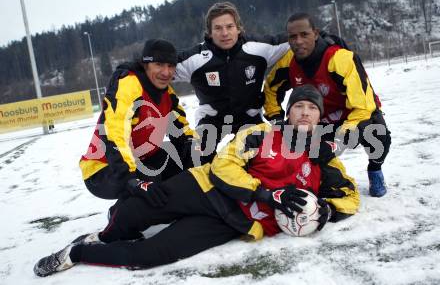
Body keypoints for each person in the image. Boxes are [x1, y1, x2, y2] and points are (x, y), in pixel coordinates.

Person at [34, 85, 359, 276]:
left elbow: (350, 196)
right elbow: (223, 167)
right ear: (288, 113)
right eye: (298, 106)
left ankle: (76, 255)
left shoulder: (323, 158)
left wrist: (328, 210)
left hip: (234, 220)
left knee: (146, 256)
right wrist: (267, 194)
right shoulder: (260, 134)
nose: (304, 112)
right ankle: (103, 235)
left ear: (319, 117)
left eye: (311, 108)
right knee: (134, 212)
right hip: (204, 188)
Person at [263, 12, 391, 197]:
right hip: (319, 119)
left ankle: (375, 170)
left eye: (304, 34)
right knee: (297, 145)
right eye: (293, 36)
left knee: (379, 135)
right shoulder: (288, 62)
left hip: (355, 115)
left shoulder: (340, 59)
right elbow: (271, 89)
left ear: (315, 33)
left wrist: (337, 143)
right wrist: (276, 119)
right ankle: (307, 179)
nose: (298, 41)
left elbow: (363, 107)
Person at [79, 38, 197, 206]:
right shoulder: (130, 84)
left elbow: (182, 132)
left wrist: (199, 154)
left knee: (187, 159)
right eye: (159, 65)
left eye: (171, 66)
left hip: (140, 160)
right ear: (146, 65)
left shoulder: (166, 93)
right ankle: (121, 218)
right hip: (104, 170)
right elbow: (115, 133)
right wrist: (132, 180)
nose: (166, 72)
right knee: (149, 181)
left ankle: (177, 206)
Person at [174, 1, 290, 163]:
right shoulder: (195, 59)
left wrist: (324, 39)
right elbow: (158, 66)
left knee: (261, 161)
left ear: (238, 27)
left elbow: (295, 39)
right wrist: (133, 67)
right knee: (196, 158)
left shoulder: (259, 48)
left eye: (229, 27)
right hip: (211, 119)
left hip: (249, 118)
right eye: (218, 28)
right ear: (209, 32)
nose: (225, 33)